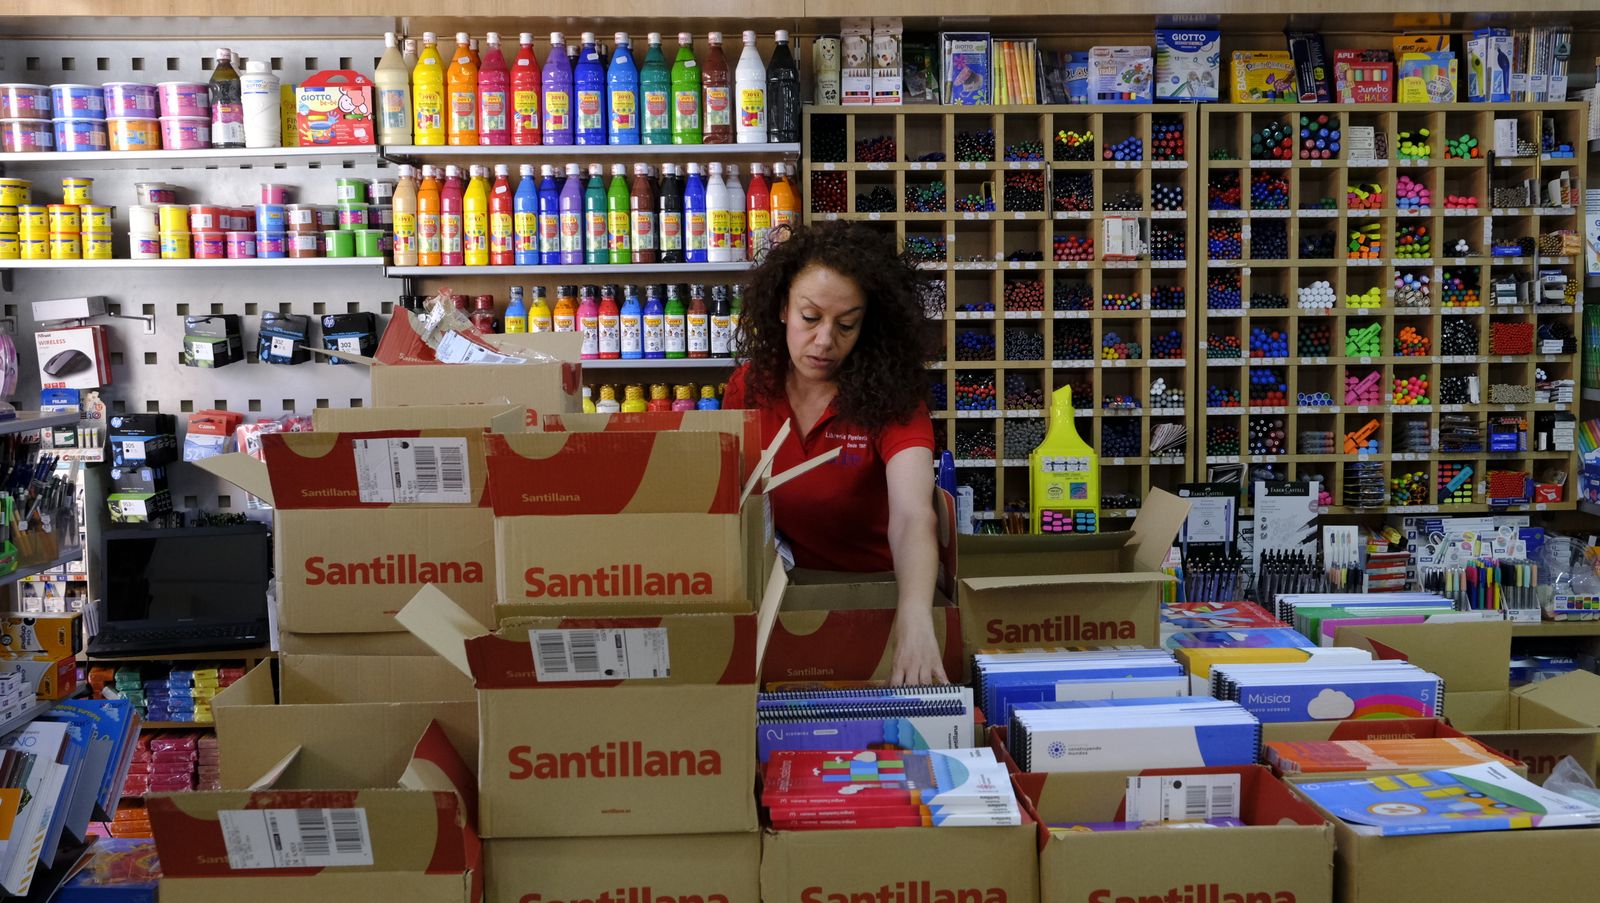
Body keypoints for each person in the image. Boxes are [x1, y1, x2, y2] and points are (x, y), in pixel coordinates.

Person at [723, 221, 946, 685]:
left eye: (846, 325)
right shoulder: (749, 387)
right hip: (782, 601)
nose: (825, 341)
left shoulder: (892, 400)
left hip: (875, 599)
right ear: (783, 308)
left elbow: (911, 514)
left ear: (868, 326)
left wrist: (915, 615)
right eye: (810, 317)